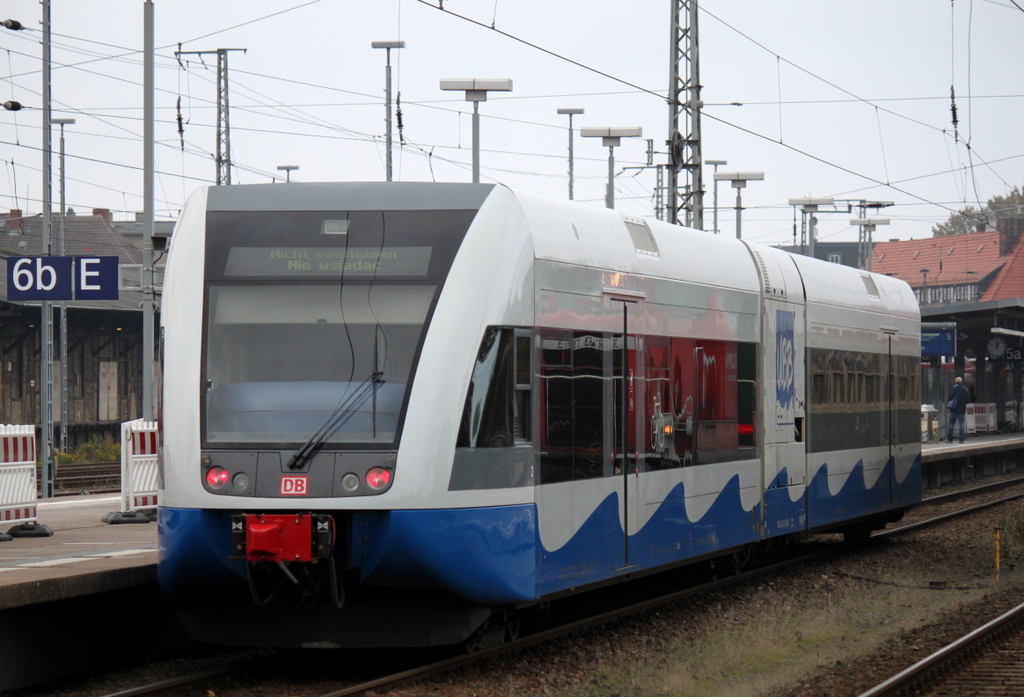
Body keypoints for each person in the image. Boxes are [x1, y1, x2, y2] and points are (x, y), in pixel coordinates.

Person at [946, 376, 970, 443]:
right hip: (962, 409)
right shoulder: (965, 388)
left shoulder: (954, 387)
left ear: (955, 381)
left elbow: (950, 396)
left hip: (954, 409)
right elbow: (968, 399)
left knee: (951, 424)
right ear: (961, 382)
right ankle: (961, 439)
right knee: (962, 424)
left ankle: (950, 439)